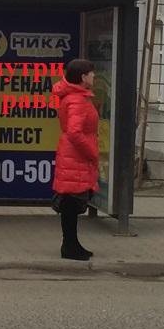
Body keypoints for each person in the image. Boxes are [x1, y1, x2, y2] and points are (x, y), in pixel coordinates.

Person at [52, 59, 100, 261]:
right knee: (71, 203)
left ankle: (72, 244)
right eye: (91, 73)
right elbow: (74, 132)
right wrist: (92, 152)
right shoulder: (77, 100)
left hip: (73, 155)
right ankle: (69, 246)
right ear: (83, 77)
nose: (94, 76)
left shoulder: (77, 97)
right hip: (76, 157)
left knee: (72, 202)